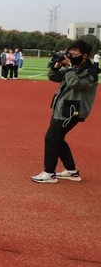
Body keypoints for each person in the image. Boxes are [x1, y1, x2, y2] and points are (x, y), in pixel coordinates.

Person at [31, 40, 98, 183]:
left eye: (74, 54)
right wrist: (57, 65)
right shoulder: (75, 68)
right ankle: (71, 171)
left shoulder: (91, 72)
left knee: (51, 138)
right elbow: (53, 77)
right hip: (62, 109)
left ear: (84, 55)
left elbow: (76, 83)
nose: (70, 56)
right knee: (58, 139)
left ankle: (49, 173)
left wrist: (70, 66)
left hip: (72, 111)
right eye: (69, 53)